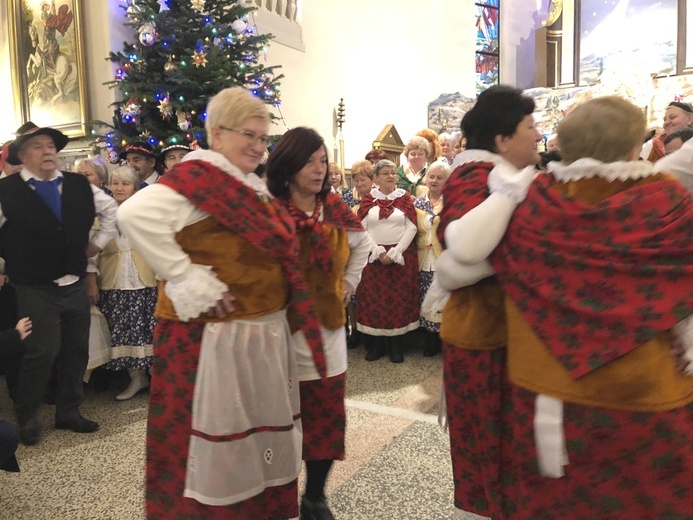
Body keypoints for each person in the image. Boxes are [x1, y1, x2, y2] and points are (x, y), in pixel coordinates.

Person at [450, 95, 693, 519]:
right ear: (637, 144)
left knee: (553, 501)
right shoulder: (667, 199)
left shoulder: (533, 198)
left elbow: (463, 261)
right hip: (643, 388)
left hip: (549, 391)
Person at [117, 87, 326, 519]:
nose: (257, 145)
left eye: (262, 137)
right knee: (213, 455)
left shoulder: (249, 184)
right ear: (216, 133)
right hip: (215, 341)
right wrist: (185, 274)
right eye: (247, 134)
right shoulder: (198, 177)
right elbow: (134, 215)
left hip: (257, 336)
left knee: (256, 447)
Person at [433, 85, 540, 519]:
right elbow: (464, 247)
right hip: (484, 337)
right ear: (502, 139)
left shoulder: (512, 176)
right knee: (484, 446)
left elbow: (460, 268)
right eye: (530, 127)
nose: (538, 135)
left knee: (512, 446)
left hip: (511, 336)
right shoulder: (478, 176)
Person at [266, 127, 370, 520]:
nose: (318, 169)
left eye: (322, 161)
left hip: (325, 330)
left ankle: (315, 495)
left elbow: (363, 247)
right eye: (309, 161)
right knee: (277, 417)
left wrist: (348, 282)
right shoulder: (269, 210)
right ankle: (276, 494)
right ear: (288, 165)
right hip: (278, 329)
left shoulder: (336, 210)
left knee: (324, 417)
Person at [0, 121, 118, 445]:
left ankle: (69, 412)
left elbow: (111, 213)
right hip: (34, 287)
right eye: (37, 146)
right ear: (22, 156)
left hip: (75, 283)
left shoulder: (79, 185)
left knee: (76, 351)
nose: (47, 151)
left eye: (50, 146)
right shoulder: (6, 191)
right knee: (41, 352)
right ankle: (27, 416)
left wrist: (96, 244)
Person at [97, 165, 157, 400]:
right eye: (115, 183)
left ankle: (157, 378)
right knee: (123, 332)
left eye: (125, 184)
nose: (119, 188)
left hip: (144, 278)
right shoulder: (102, 214)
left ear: (135, 187)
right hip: (115, 280)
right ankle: (136, 378)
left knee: (148, 330)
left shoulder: (146, 212)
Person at [356, 159, 420, 363]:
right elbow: (362, 228)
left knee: (397, 301)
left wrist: (395, 252)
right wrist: (377, 250)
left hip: (400, 259)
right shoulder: (368, 200)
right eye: (386, 173)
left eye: (393, 173)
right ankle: (376, 346)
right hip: (373, 259)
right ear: (375, 178)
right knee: (375, 302)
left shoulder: (405, 198)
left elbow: (412, 227)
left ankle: (395, 346)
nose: (391, 176)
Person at [414, 160, 450, 357]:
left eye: (439, 177)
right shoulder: (418, 203)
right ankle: (430, 339)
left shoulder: (451, 201)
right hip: (423, 256)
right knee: (426, 296)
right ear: (426, 179)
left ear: (447, 181)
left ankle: (444, 339)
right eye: (432, 177)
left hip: (442, 256)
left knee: (443, 297)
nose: (434, 180)